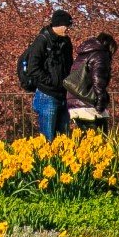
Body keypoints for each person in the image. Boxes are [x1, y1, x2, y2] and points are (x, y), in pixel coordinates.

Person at [22, 10, 75, 140]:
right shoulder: (42, 40)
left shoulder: (66, 42)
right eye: (67, 26)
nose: (68, 29)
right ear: (59, 25)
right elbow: (32, 68)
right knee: (48, 138)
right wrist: (50, 81)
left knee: (64, 138)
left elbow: (69, 64)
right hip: (47, 95)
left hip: (62, 94)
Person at [65, 31, 116, 131]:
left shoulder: (84, 53)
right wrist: (101, 103)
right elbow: (98, 80)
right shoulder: (100, 55)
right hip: (88, 105)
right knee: (100, 140)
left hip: (75, 102)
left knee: (86, 139)